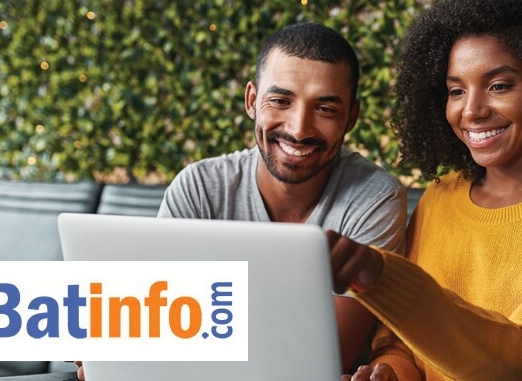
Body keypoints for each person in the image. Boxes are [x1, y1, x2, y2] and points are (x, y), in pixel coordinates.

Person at [72, 22, 407, 381]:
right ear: (252, 101)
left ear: (351, 118)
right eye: (280, 101)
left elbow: (323, 360)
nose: (298, 129)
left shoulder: (375, 198)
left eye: (325, 109)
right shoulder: (198, 188)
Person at [328, 0, 522, 380]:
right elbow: (403, 344)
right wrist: (392, 372)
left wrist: (381, 276)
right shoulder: (439, 196)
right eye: (455, 91)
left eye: (498, 86)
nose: (471, 110)